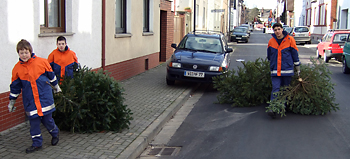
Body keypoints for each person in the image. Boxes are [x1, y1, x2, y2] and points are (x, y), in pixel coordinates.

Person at [8, 39, 61, 153]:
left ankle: (55, 133)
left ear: (30, 51)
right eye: (21, 53)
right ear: (18, 53)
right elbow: (15, 87)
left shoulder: (42, 62)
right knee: (34, 124)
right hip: (30, 101)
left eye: (26, 52)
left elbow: (51, 76)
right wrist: (12, 101)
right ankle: (37, 144)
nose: (24, 55)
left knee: (48, 121)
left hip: (44, 99)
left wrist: (56, 87)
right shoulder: (17, 69)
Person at [267, 23, 300, 118]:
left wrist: (298, 68)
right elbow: (269, 56)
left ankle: (282, 108)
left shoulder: (290, 40)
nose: (277, 31)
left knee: (285, 89)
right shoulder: (271, 42)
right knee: (275, 89)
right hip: (275, 71)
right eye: (275, 30)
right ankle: (272, 108)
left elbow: (295, 54)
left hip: (287, 71)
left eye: (278, 29)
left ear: (282, 29)